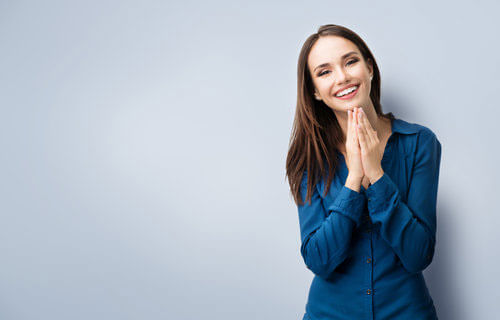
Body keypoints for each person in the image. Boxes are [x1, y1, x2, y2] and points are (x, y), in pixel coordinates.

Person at [285, 24, 442, 320]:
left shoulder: (420, 143)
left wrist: (377, 174)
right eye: (324, 71)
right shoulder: (309, 158)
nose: (342, 77)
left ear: (369, 67)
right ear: (315, 92)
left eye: (350, 62)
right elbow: (319, 260)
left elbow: (418, 255)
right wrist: (354, 180)